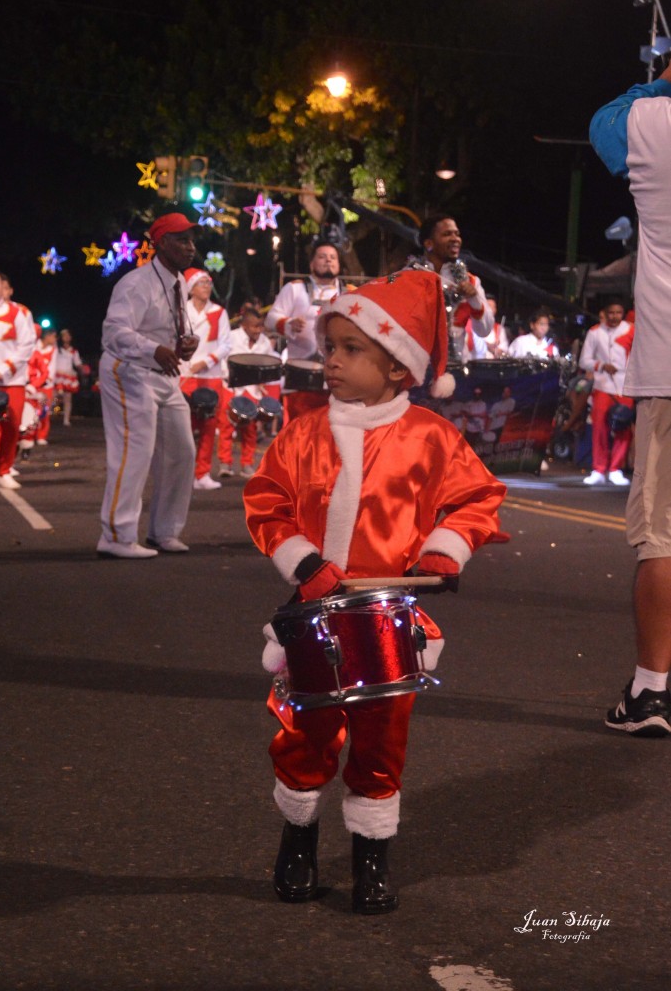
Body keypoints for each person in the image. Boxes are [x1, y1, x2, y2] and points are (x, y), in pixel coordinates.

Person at [244, 270, 507, 913]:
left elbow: (477, 499)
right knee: (303, 734)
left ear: (398, 369)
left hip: (387, 619)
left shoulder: (430, 437)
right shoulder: (302, 431)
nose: (331, 360)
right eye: (330, 347)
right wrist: (304, 563)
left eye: (351, 349)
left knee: (382, 741)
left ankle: (372, 860)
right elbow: (266, 502)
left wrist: (445, 550)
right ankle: (297, 840)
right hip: (314, 615)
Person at [590, 62, 671, 735]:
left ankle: (649, 691)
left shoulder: (649, 124)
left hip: (668, 370)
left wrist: (657, 83)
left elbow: (601, 124)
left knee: (660, 538)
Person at [97, 213, 199, 560]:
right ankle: (116, 536)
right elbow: (114, 333)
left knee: (182, 451)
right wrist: (153, 349)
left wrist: (186, 341)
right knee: (133, 452)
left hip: (163, 374)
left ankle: (164, 531)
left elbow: (170, 326)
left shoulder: (179, 282)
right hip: (129, 372)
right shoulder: (136, 283)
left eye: (191, 239)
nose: (191, 247)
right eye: (182, 240)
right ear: (162, 243)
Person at [265, 241, 351, 421]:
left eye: (333, 257)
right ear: (312, 264)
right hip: (301, 374)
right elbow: (271, 319)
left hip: (339, 377)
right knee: (299, 433)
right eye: (322, 257)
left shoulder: (350, 294)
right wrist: (288, 323)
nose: (328, 261)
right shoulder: (294, 288)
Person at [414, 215, 494, 362]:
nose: (455, 238)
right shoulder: (410, 277)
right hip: (416, 368)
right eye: (446, 234)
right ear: (429, 244)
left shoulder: (471, 281)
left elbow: (484, 331)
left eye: (457, 234)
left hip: (455, 371)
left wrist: (474, 298)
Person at [179, 268, 231, 491]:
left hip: (210, 377)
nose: (207, 287)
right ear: (191, 288)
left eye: (208, 283)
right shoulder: (181, 312)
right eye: (202, 283)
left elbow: (226, 345)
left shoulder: (219, 312)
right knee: (184, 429)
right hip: (185, 375)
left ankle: (202, 474)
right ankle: (183, 475)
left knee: (209, 427)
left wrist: (207, 361)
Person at [219, 308, 281, 478]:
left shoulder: (264, 343)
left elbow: (267, 365)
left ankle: (247, 464)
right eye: (255, 326)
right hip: (232, 388)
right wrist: (228, 376)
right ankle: (225, 463)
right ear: (244, 325)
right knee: (226, 425)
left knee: (250, 429)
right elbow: (222, 359)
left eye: (260, 326)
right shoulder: (232, 337)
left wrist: (263, 380)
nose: (258, 330)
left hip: (253, 389)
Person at [578, 300, 634, 487]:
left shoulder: (631, 331)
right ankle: (599, 469)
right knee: (599, 429)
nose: (614, 316)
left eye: (618, 312)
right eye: (611, 312)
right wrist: (601, 366)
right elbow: (584, 360)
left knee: (623, 429)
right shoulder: (595, 332)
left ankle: (616, 469)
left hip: (625, 387)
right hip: (602, 387)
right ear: (604, 312)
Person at [0, 266, 36, 488]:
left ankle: (3, 470)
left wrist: (5, 369)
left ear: (3, 288)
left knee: (11, 424)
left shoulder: (18, 313)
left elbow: (27, 345)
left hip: (12, 381)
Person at [55, 328, 83, 426]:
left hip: (68, 376)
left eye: (68, 335)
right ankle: (45, 416)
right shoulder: (56, 349)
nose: (67, 337)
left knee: (68, 398)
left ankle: (66, 419)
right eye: (64, 335)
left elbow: (77, 363)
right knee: (52, 398)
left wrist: (82, 368)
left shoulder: (73, 351)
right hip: (57, 376)